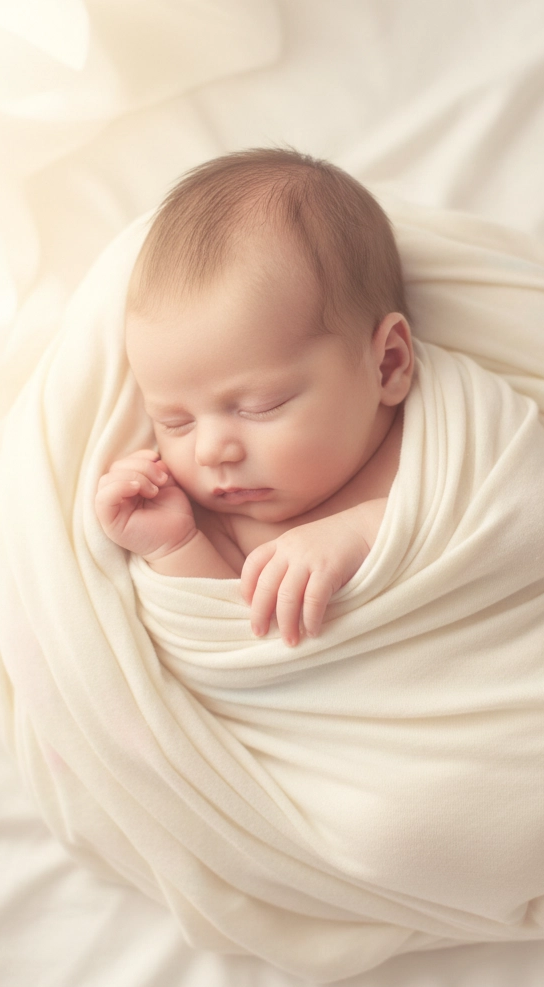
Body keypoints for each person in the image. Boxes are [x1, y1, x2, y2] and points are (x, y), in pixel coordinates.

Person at [95, 149, 415, 647]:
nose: (209, 452)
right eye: (174, 422)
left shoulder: (436, 439)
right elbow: (232, 642)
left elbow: (509, 512)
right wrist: (174, 544)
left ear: (388, 365)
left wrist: (365, 530)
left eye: (258, 407)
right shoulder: (223, 524)